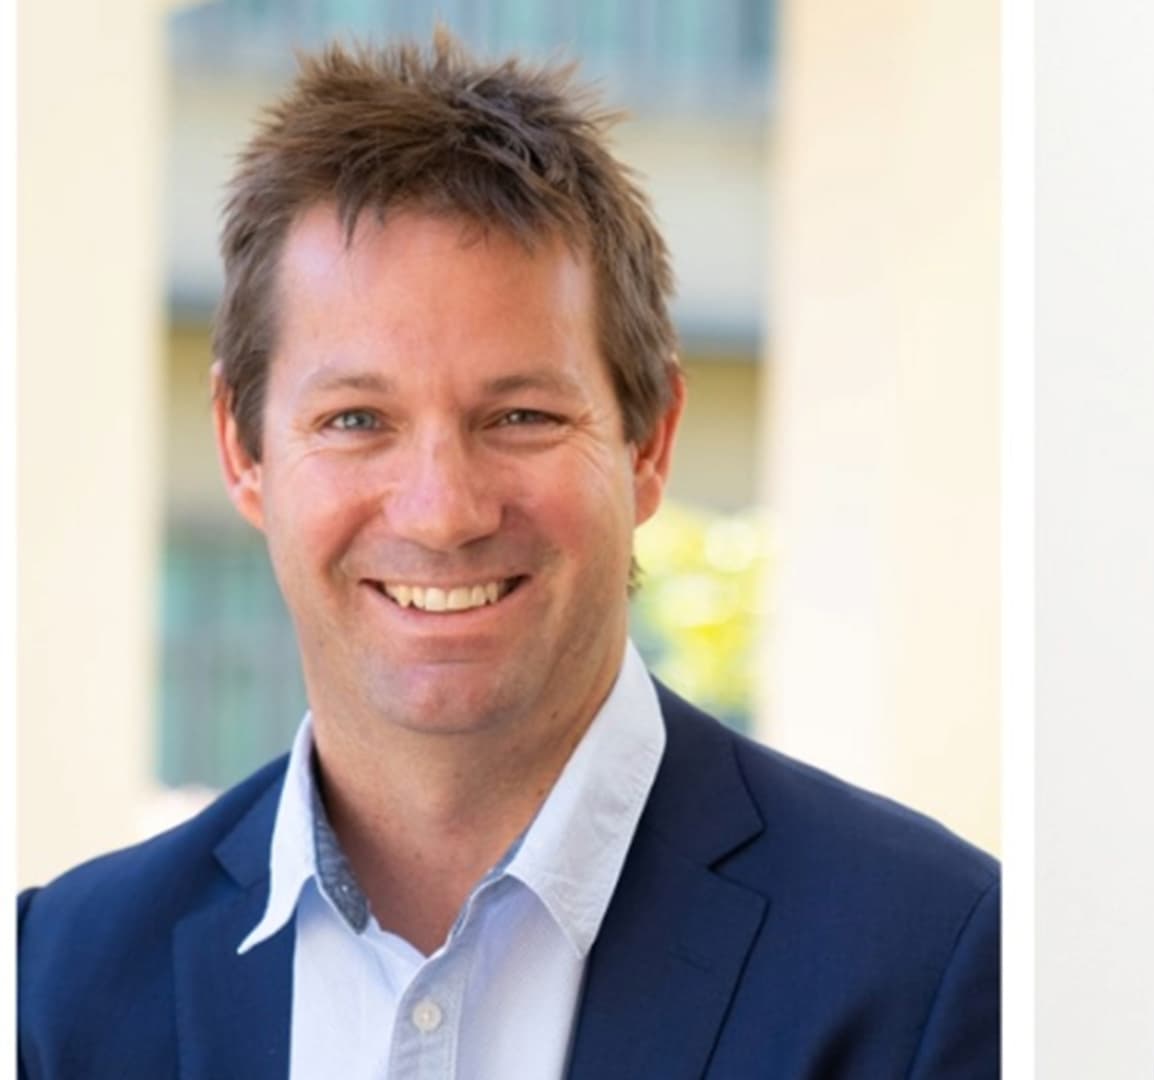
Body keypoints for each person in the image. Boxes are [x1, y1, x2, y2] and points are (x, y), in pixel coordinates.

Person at [18, 32, 998, 1079]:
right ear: (241, 446)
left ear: (649, 439)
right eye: (357, 420)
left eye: (521, 414)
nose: (443, 511)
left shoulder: (931, 961)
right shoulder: (50, 982)